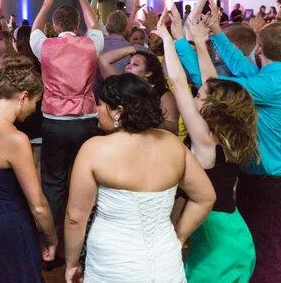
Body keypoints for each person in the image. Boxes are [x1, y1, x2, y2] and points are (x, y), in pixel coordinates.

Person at [64, 73, 216, 283]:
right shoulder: (172, 144)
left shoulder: (94, 150)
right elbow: (205, 197)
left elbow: (76, 218)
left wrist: (72, 263)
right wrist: (178, 237)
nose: (95, 110)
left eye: (100, 104)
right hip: (164, 260)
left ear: (118, 111)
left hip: (112, 264)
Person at [176, 16, 281, 283]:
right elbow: (238, 67)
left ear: (258, 48)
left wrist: (186, 42)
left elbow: (211, 83)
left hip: (268, 179)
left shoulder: (269, 84)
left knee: (266, 246)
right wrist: (215, 35)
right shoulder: (265, 76)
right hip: (260, 177)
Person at [156, 15, 258, 282]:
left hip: (217, 237)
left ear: (212, 106)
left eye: (199, 96)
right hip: (231, 228)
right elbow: (210, 80)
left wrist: (166, 38)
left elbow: (178, 84)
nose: (196, 95)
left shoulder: (204, 138)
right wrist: (200, 43)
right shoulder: (228, 131)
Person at [0, 56, 56, 283]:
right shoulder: (15, 140)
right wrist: (51, 238)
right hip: (9, 229)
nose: (34, 109)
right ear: (23, 97)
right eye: (35, 102)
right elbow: (38, 206)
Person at [29, 0, 104, 247]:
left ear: (55, 25)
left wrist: (46, 2)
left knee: (53, 181)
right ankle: (84, 239)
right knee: (86, 176)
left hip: (54, 121)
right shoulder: (90, 45)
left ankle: (52, 241)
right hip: (86, 121)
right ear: (76, 24)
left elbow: (35, 29)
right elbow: (95, 24)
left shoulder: (46, 46)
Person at [98, 47, 179, 134]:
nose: (129, 66)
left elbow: (173, 128)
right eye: (129, 63)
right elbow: (103, 60)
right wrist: (132, 48)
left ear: (148, 73)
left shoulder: (163, 94)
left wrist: (146, 118)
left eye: (135, 64)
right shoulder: (121, 86)